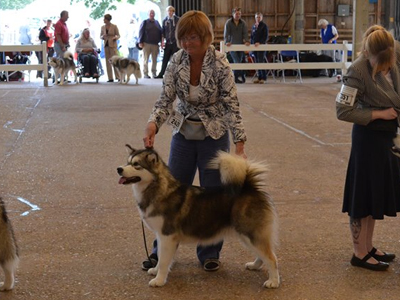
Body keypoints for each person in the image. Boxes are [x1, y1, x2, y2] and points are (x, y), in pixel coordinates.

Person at [142, 10, 247, 272]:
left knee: (213, 197)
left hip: (214, 136)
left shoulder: (221, 63)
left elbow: (231, 104)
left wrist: (240, 143)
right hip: (183, 135)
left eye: (193, 37)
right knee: (169, 195)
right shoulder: (176, 61)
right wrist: (153, 122)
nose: (188, 43)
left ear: (205, 37)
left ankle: (210, 252)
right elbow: (165, 100)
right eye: (183, 38)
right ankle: (161, 252)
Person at [336, 25, 400, 272]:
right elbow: (342, 111)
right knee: (362, 196)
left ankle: (369, 246)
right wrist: (379, 113)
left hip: (387, 139)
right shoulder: (356, 71)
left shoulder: (391, 56)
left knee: (376, 194)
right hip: (367, 139)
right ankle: (358, 252)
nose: (386, 66)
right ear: (370, 54)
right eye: (382, 62)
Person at [224, 7, 250, 84]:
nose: (238, 15)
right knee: (237, 61)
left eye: (239, 14)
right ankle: (237, 77)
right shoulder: (228, 22)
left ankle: (239, 76)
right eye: (236, 14)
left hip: (241, 46)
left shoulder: (243, 23)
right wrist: (226, 42)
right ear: (233, 14)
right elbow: (226, 34)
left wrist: (247, 41)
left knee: (240, 62)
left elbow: (245, 33)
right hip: (232, 46)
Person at [155, 6, 180, 79]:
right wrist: (162, 42)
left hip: (175, 43)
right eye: (168, 11)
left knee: (176, 59)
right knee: (165, 59)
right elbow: (163, 32)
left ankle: (176, 74)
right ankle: (161, 73)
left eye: (171, 11)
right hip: (168, 43)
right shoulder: (165, 21)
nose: (170, 12)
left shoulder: (177, 20)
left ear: (173, 12)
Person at [138, 9, 162, 79]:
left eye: (153, 13)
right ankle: (145, 73)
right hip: (146, 44)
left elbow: (160, 32)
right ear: (148, 14)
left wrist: (161, 42)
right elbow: (141, 32)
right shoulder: (145, 22)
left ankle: (154, 73)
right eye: (150, 13)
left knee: (155, 59)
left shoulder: (157, 23)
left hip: (155, 44)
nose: (152, 14)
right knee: (146, 59)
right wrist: (140, 42)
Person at [100, 14, 120, 82]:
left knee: (115, 60)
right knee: (107, 61)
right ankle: (110, 77)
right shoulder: (102, 27)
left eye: (104, 19)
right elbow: (100, 36)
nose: (103, 20)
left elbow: (118, 35)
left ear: (107, 19)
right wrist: (103, 36)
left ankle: (118, 76)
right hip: (106, 45)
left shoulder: (114, 26)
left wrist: (115, 37)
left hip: (113, 44)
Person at [250, 12, 268, 84]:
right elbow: (252, 36)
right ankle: (259, 77)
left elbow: (265, 37)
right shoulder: (254, 26)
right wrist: (251, 45)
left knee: (261, 61)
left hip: (261, 46)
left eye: (259, 17)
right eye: (257, 17)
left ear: (261, 18)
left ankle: (263, 77)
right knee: (257, 62)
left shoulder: (264, 26)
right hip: (254, 47)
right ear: (255, 18)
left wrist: (260, 43)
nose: (258, 18)